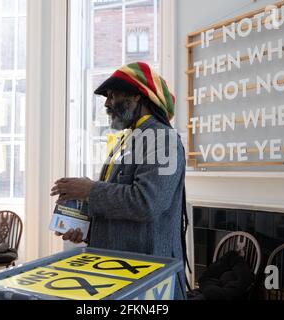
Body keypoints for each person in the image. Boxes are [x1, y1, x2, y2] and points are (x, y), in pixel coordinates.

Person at [50, 62, 189, 299]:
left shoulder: (163, 137)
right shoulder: (129, 139)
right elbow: (120, 201)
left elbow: (147, 203)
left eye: (113, 95)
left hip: (148, 279)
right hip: (118, 272)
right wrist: (88, 227)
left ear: (137, 95)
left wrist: (89, 190)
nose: (106, 103)